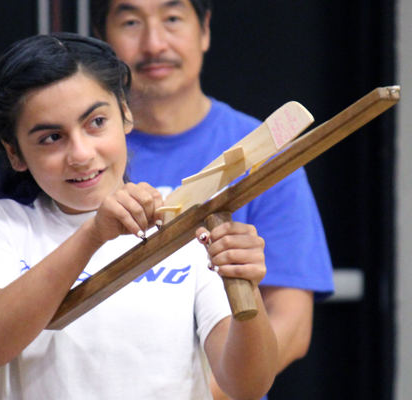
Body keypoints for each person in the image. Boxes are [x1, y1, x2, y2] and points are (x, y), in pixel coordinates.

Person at [0, 32, 278, 400]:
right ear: (15, 153)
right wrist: (93, 234)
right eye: (51, 137)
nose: (80, 154)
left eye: (96, 122)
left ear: (125, 114)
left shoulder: (183, 217)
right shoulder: (0, 225)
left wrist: (247, 288)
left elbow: (248, 385)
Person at [90, 1, 335, 398]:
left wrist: (196, 392)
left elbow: (291, 324)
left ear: (204, 29)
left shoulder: (265, 151)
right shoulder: (81, 161)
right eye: (131, 22)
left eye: (172, 19)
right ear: (102, 38)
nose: (154, 44)